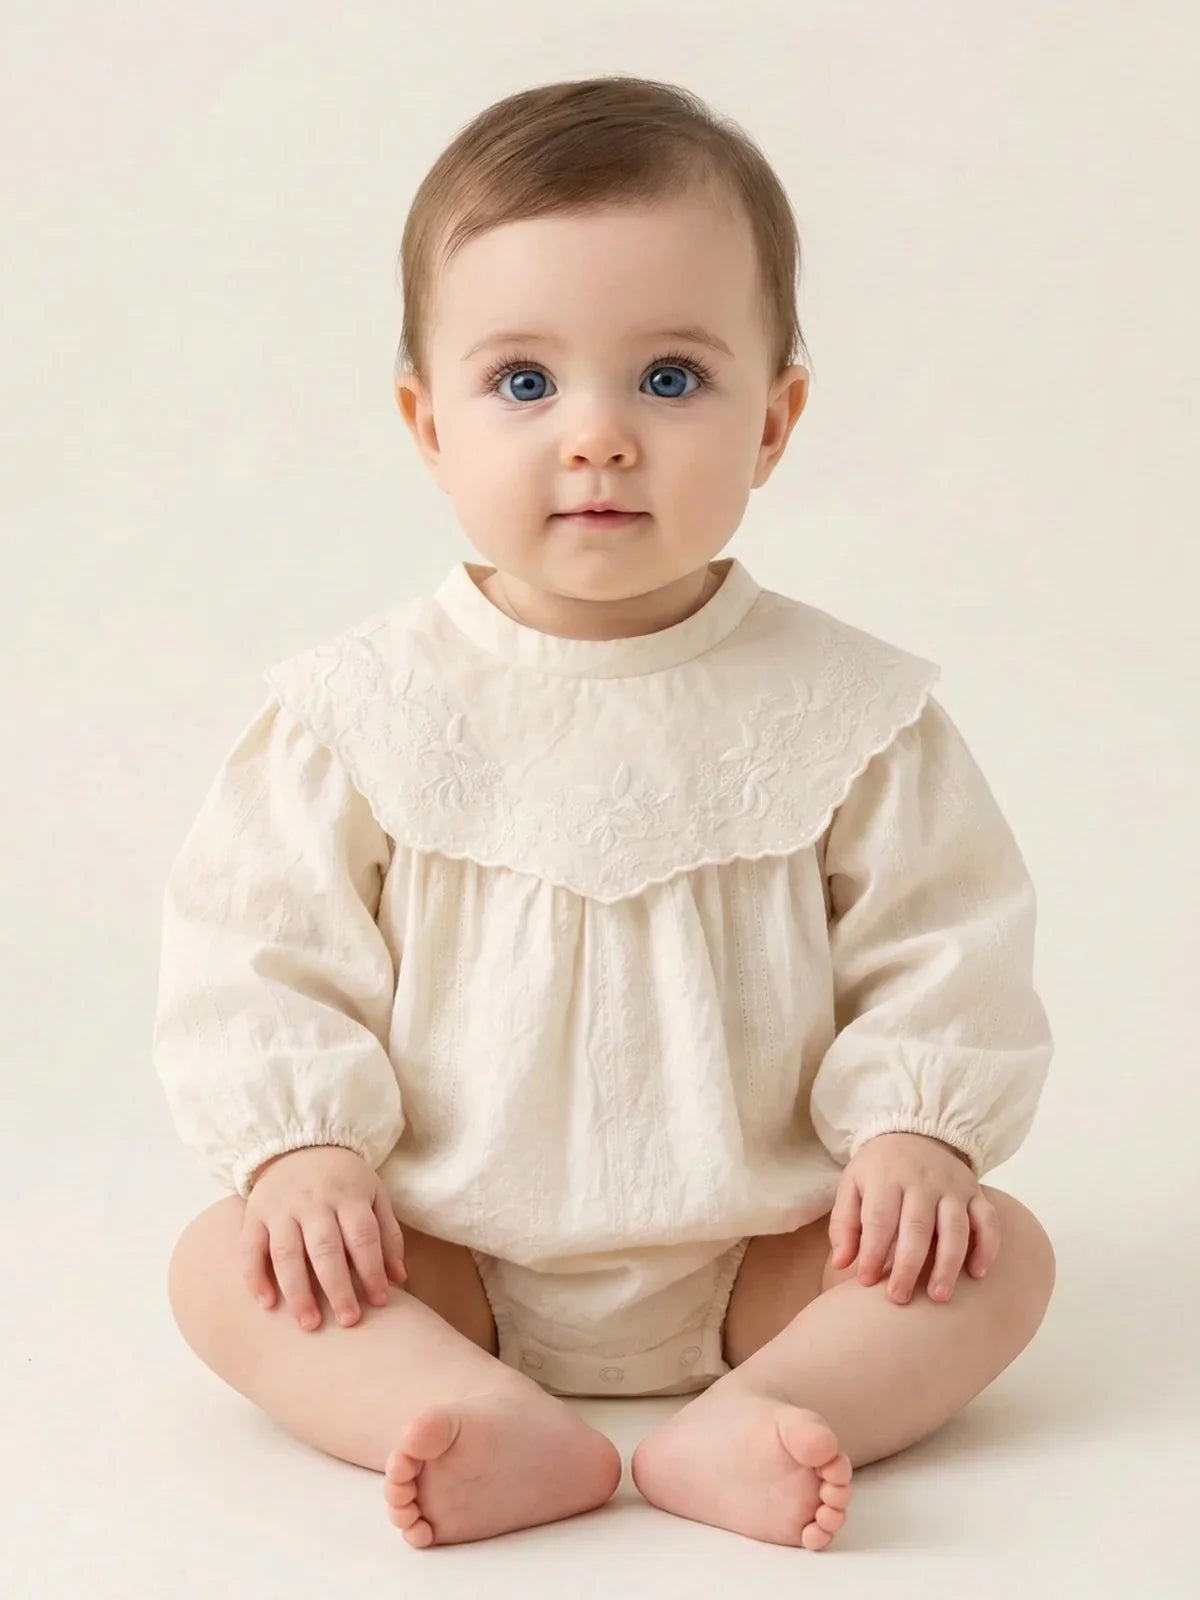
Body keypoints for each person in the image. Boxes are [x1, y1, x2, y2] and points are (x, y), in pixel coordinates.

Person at [155, 74, 1056, 1554]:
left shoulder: (851, 711)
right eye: (524, 383)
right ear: (426, 423)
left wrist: (918, 1132)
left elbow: (946, 938)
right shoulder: (357, 711)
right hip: (438, 1250)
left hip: (775, 1252)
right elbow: (259, 954)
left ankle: (771, 1407)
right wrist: (303, 1150)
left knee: (998, 1259)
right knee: (222, 1267)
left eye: (672, 380)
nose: (599, 437)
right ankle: (455, 1403)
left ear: (775, 421)